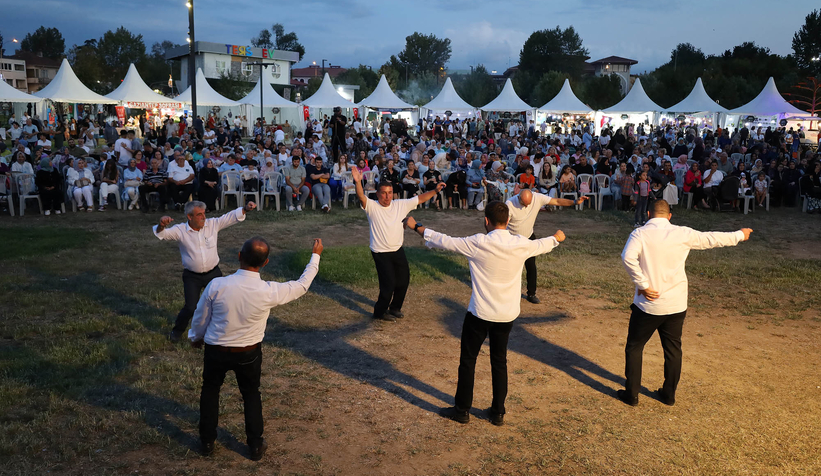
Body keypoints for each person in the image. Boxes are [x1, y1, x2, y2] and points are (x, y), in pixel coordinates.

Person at [402, 202, 565, 425]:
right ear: (508, 222)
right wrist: (557, 237)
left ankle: (462, 410)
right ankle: (498, 412)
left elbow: (444, 241)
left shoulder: (477, 242)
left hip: (480, 314)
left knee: (468, 360)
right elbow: (543, 244)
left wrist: (416, 226)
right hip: (506, 315)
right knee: (499, 361)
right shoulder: (520, 243)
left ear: (486, 221)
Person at [190, 236, 322, 459]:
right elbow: (302, 285)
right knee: (251, 395)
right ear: (266, 262)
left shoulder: (217, 285)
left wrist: (196, 337)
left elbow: (201, 316)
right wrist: (315, 256)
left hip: (216, 350)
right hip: (248, 353)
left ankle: (207, 441)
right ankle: (255, 445)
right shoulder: (268, 291)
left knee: (211, 391)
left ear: (239, 256)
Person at [618, 200, 752, 407]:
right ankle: (668, 394)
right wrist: (739, 235)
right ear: (670, 216)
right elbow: (711, 238)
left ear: (648, 214)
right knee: (673, 349)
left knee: (635, 347)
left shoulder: (640, 234)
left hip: (648, 304)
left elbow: (627, 257)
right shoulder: (681, 233)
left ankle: (632, 394)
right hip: (676, 304)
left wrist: (642, 284)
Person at [350, 166, 446, 321]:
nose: (387, 196)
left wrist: (435, 190)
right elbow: (361, 196)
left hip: (397, 249)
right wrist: (358, 182)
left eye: (389, 193)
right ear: (378, 194)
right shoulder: (372, 207)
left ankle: (395, 308)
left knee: (403, 281)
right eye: (383, 193)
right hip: (380, 252)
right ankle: (379, 312)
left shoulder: (400, 205)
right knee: (388, 285)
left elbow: (420, 199)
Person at [154, 200, 257, 343]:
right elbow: (163, 234)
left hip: (213, 274)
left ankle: (220, 333)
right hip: (192, 276)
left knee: (221, 304)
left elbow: (229, 217)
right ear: (189, 217)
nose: (203, 217)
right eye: (199, 215)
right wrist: (161, 225)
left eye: (204, 213)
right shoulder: (180, 230)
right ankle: (177, 332)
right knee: (191, 307)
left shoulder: (212, 224)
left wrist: (246, 208)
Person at [506, 189, 587, 304]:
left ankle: (531, 293)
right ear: (518, 197)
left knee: (531, 266)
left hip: (528, 237)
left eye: (529, 203)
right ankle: (509, 294)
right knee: (512, 268)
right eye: (524, 203)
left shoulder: (537, 198)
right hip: (513, 239)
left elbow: (557, 201)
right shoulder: (509, 204)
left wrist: (574, 202)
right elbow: (502, 224)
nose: (526, 206)